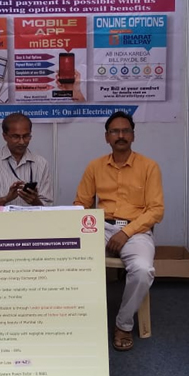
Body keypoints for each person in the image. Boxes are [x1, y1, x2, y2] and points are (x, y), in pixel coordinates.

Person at [74, 111, 164, 352]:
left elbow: (156, 210)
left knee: (143, 270)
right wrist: (87, 227)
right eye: (115, 131)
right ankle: (78, 319)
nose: (120, 135)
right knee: (70, 257)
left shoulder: (149, 167)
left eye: (126, 131)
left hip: (136, 230)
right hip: (100, 227)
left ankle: (123, 324)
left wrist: (125, 233)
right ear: (107, 137)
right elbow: (81, 205)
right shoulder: (95, 167)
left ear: (133, 135)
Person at [0, 113, 53, 207]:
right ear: (5, 136)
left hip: (31, 216)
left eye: (26, 136)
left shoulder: (41, 163)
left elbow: (48, 205)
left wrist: (35, 201)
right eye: (16, 137)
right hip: (0, 216)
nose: (22, 142)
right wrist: (6, 199)